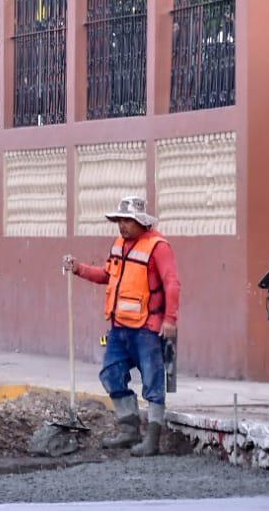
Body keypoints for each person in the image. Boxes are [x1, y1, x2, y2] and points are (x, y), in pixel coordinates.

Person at [61, 196, 182, 457]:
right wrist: (78, 268)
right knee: (111, 374)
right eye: (119, 220)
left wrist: (170, 319)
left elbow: (172, 283)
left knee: (153, 381)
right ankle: (129, 430)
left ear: (141, 222)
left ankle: (152, 439)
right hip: (119, 328)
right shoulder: (119, 245)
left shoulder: (158, 247)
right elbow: (106, 275)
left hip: (148, 328)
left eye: (127, 221)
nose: (122, 226)